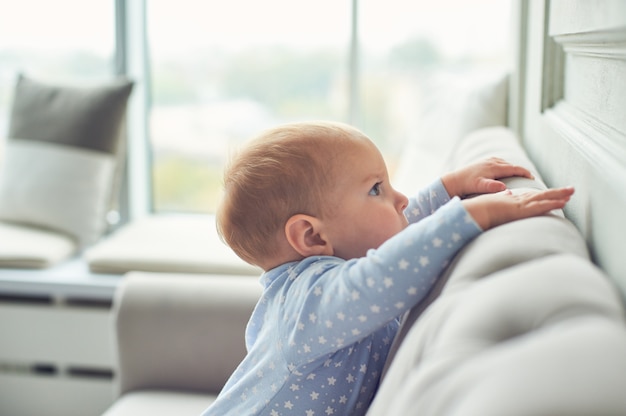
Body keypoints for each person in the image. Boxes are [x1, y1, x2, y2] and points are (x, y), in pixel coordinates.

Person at [202, 121, 574, 416]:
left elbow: (389, 239)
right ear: (312, 236)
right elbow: (381, 274)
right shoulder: (307, 302)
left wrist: (447, 188)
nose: (401, 199)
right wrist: (471, 215)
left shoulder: (333, 275)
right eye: (377, 189)